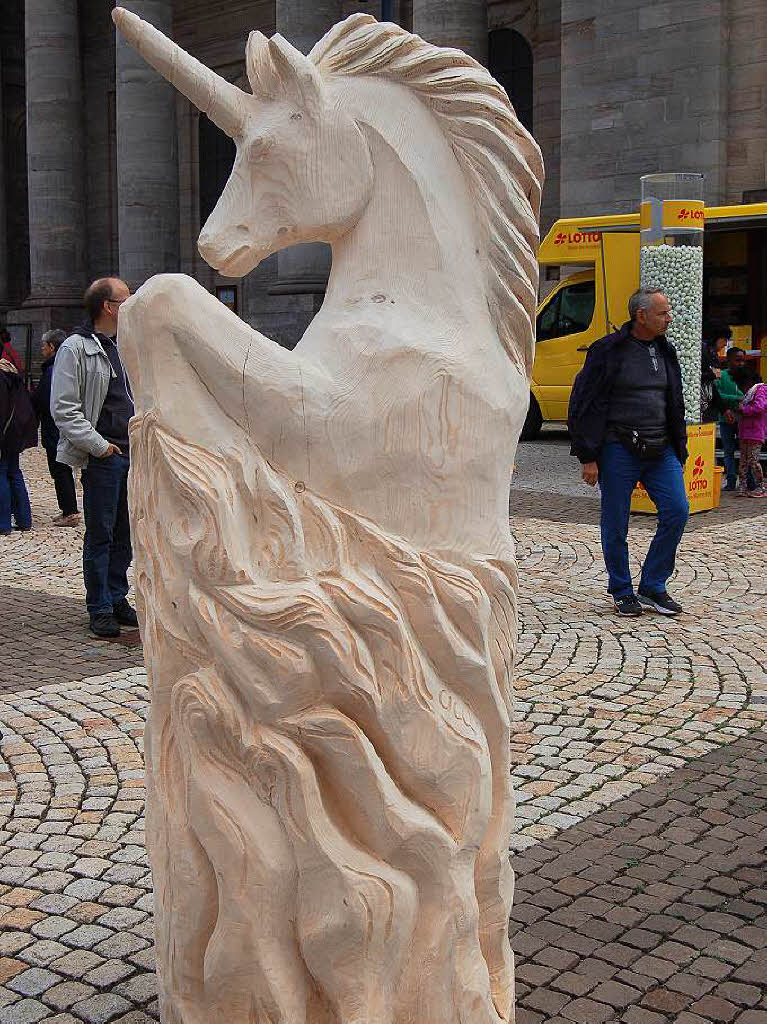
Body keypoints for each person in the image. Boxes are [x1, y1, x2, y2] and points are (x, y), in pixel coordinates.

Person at [568, 287, 688, 617]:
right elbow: (583, 403)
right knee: (616, 520)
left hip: (661, 448)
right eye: (663, 313)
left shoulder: (666, 351)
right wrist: (588, 455)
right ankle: (622, 590)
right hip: (618, 447)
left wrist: (681, 448)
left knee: (678, 510)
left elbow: (673, 401)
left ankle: (652, 586)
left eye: (669, 311)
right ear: (641, 315)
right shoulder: (608, 351)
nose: (669, 318)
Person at [51, 278, 138, 638]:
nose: (132, 304)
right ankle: (99, 605)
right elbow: (65, 408)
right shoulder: (75, 348)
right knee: (100, 534)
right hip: (105, 456)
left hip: (134, 453)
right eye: (126, 299)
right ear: (108, 306)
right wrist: (99, 445)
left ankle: (118, 597)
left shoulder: (125, 345)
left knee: (126, 535)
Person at [32, 330, 80, 526]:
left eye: (44, 346)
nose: (42, 349)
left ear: (52, 347)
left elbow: (46, 400)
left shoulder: (53, 370)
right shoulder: (58, 366)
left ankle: (70, 511)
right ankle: (68, 509)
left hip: (54, 428)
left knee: (60, 468)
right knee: (61, 468)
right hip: (56, 427)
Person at [0, 351, 37, 535]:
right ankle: (24, 520)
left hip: (4, 434)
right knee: (14, 473)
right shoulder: (11, 372)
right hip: (15, 432)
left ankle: (3, 523)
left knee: (2, 474)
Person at [715, 346, 746, 491]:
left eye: (742, 360)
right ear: (728, 360)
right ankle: (731, 481)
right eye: (737, 360)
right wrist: (737, 398)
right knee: (728, 451)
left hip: (744, 419)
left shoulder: (746, 376)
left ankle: (748, 481)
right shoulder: (721, 375)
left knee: (746, 451)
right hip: (725, 419)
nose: (740, 363)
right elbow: (717, 395)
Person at [736, 372, 767, 497]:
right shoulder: (749, 393)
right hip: (745, 431)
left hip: (755, 431)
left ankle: (761, 486)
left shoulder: (761, 390)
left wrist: (743, 409)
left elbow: (759, 407)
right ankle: (743, 486)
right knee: (743, 460)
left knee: (753, 460)